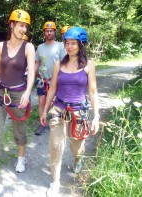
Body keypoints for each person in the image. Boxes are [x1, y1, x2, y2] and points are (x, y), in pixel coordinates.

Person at [0, 9, 35, 192]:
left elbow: (32, 72)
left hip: (18, 94)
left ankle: (21, 157)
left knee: (19, 129)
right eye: (20, 25)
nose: (23, 29)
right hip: (0, 94)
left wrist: (27, 92)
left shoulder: (28, 47)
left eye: (25, 26)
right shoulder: (0, 46)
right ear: (11, 25)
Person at [40, 27, 99, 196]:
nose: (69, 46)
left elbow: (93, 92)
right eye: (67, 43)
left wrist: (96, 116)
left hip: (78, 111)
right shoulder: (59, 64)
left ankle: (77, 160)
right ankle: (55, 181)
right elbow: (51, 90)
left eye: (73, 43)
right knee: (56, 146)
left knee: (77, 146)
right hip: (59, 109)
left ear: (81, 45)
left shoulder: (89, 66)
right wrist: (44, 111)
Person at [34, 21, 66, 136]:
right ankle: (42, 123)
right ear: (44, 33)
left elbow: (64, 63)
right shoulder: (40, 47)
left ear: (54, 32)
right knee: (42, 101)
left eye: (51, 31)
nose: (49, 33)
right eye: (47, 31)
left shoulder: (60, 46)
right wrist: (32, 73)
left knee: (53, 101)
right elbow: (37, 62)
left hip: (55, 79)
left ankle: (54, 122)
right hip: (42, 79)